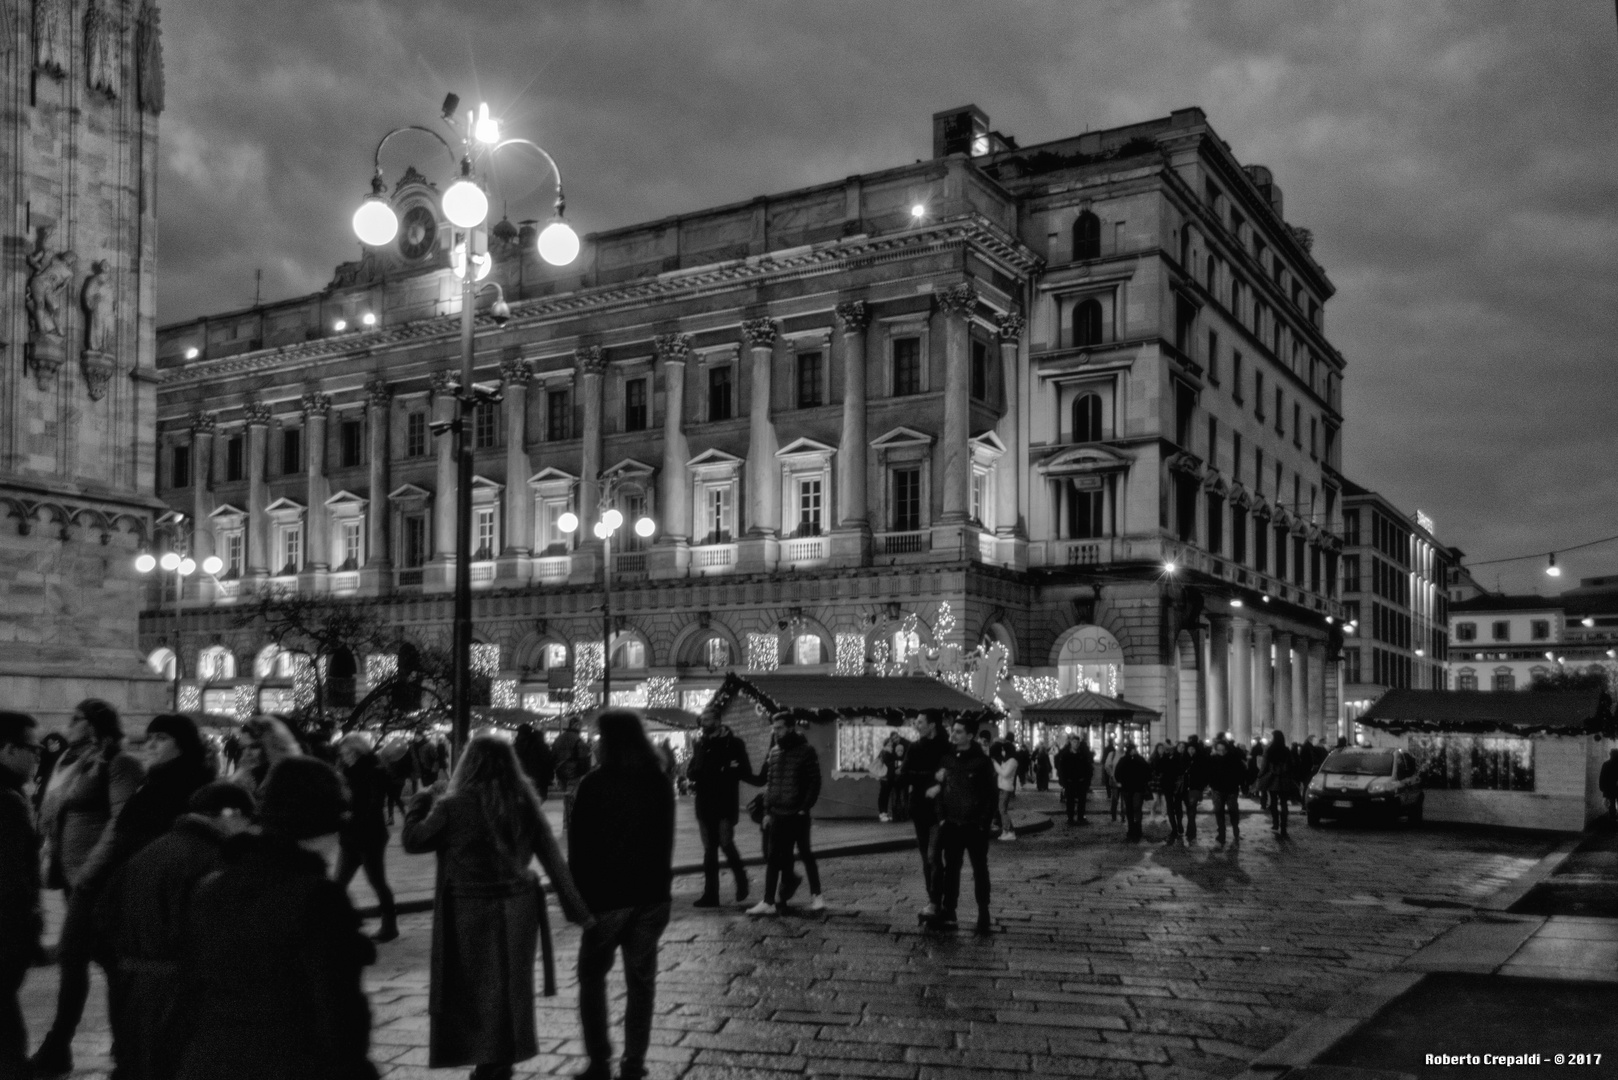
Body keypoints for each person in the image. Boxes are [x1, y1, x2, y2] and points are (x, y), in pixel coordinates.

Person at [175, 757, 379, 1080]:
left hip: (211, 1061)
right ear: (326, 823)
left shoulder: (216, 886)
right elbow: (338, 1015)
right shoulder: (319, 899)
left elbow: (190, 990)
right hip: (289, 1063)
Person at [403, 735, 589, 1080]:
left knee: (474, 989)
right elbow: (553, 861)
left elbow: (414, 840)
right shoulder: (524, 804)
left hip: (469, 909)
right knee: (511, 985)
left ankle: (486, 1061)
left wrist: (420, 801)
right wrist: (578, 911)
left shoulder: (453, 805)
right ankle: (501, 1058)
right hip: (519, 908)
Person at [98, 781, 257, 1080]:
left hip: (133, 992)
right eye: (248, 820)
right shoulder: (215, 860)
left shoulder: (149, 853)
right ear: (230, 814)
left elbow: (104, 919)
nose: (249, 830)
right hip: (182, 995)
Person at [30, 699, 145, 1078]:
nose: (69, 723)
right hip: (71, 876)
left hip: (97, 880)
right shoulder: (70, 761)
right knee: (107, 961)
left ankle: (58, 1047)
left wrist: (92, 870)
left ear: (95, 724)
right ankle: (127, 1045)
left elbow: (122, 821)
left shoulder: (119, 763)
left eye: (77, 718)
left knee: (75, 957)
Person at [568, 711, 676, 1080]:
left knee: (591, 976)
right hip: (652, 894)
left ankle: (599, 1060)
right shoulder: (659, 781)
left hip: (607, 897)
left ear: (607, 741)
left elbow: (579, 848)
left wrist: (577, 900)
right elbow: (666, 839)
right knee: (641, 982)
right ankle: (633, 1062)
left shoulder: (594, 784)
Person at [925, 717, 998, 935]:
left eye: (958, 732)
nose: (953, 735)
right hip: (952, 824)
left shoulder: (982, 762)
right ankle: (950, 910)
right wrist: (941, 817)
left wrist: (983, 822)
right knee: (951, 870)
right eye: (953, 731)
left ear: (970, 735)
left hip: (974, 825)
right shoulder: (947, 759)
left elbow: (990, 796)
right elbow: (939, 789)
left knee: (980, 870)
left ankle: (983, 911)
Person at [0, 712, 42, 1080]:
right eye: (33, 748)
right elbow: (12, 878)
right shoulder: (8, 801)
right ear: (10, 749)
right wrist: (28, 928)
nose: (38, 756)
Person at [749, 713, 824, 915]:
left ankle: (817, 895)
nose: (776, 731)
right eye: (774, 728)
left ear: (790, 728)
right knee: (774, 858)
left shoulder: (806, 750)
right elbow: (770, 784)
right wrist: (766, 811)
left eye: (780, 727)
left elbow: (814, 782)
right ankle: (768, 901)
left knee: (805, 853)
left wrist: (804, 807)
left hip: (797, 814)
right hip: (776, 813)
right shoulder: (773, 752)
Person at [334, 733, 399, 943]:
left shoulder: (374, 770)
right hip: (350, 835)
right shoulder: (345, 771)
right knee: (338, 883)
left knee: (376, 881)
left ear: (357, 750)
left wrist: (352, 816)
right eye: (343, 753)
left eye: (348, 752)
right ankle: (339, 924)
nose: (345, 756)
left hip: (370, 835)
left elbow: (374, 804)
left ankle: (389, 926)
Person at [685, 708, 753, 908]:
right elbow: (692, 770)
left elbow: (743, 770)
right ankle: (710, 894)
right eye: (702, 720)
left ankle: (741, 880)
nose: (703, 724)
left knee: (725, 842)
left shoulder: (734, 743)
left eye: (707, 720)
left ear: (718, 721)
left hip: (725, 801)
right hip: (704, 803)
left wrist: (722, 771)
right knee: (709, 850)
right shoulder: (700, 744)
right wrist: (705, 772)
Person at [900, 710, 952, 923]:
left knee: (933, 856)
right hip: (919, 808)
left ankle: (937, 902)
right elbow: (903, 775)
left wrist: (921, 778)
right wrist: (931, 777)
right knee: (926, 859)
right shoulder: (915, 747)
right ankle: (934, 900)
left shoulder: (947, 748)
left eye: (920, 721)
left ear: (932, 725)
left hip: (940, 810)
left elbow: (950, 775)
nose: (916, 724)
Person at [231, 714, 301, 797]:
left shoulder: (291, 782)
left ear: (273, 747)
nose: (247, 753)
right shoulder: (241, 780)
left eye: (254, 747)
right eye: (243, 748)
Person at [549, 715, 593, 832]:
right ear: (576, 725)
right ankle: (571, 821)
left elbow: (552, 756)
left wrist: (555, 771)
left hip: (560, 772)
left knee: (566, 797)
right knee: (574, 797)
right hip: (574, 773)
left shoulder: (559, 739)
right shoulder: (578, 739)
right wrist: (585, 773)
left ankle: (566, 822)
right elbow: (584, 758)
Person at [1257, 731, 1294, 837]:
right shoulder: (1286, 750)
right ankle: (1283, 827)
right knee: (1284, 804)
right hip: (1285, 779)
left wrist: (1260, 775)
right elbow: (1292, 764)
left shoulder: (1269, 750)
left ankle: (1275, 823)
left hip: (1272, 779)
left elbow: (1264, 765)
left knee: (1273, 803)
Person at [1112, 742, 1152, 842]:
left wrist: (1144, 781)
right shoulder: (1126, 760)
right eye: (1132, 750)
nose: (1134, 751)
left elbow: (1148, 772)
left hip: (1136, 788)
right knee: (1130, 808)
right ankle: (1132, 829)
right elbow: (1118, 773)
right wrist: (1120, 782)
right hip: (1129, 788)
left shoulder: (1139, 760)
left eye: (1134, 749)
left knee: (1136, 808)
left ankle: (1136, 829)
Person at [1208, 738, 1243, 844]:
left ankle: (1235, 828)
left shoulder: (1234, 759)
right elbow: (1209, 773)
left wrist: (1239, 784)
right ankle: (1221, 833)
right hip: (1217, 789)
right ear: (1215, 750)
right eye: (1219, 750)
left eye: (1223, 749)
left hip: (1231, 789)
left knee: (1233, 810)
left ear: (1227, 749)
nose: (1221, 752)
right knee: (1219, 811)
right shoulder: (1212, 759)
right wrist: (1211, 784)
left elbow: (1240, 773)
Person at [1054, 734, 1093, 825]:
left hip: (1081, 781)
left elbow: (1088, 769)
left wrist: (1086, 781)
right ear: (1071, 743)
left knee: (1081, 801)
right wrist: (1064, 782)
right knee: (1070, 801)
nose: (1076, 744)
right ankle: (1070, 818)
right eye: (1074, 742)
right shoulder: (1066, 755)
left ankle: (1080, 817)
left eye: (1077, 742)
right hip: (1070, 782)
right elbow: (1061, 769)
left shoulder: (1082, 755)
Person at [512, 723, 555, 801]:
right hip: (538, 776)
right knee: (539, 797)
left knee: (525, 799)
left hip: (522, 775)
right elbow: (547, 760)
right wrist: (549, 776)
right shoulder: (538, 744)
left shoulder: (517, 745)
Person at [1181, 735, 1210, 842]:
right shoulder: (1183, 759)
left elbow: (1205, 774)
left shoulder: (1200, 759)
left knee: (1192, 809)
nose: (1191, 750)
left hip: (1195, 788)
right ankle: (1191, 830)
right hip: (1184, 788)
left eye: (1193, 749)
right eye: (1189, 748)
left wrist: (1201, 786)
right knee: (1189, 809)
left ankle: (1191, 831)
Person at [1161, 741, 1190, 840]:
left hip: (1180, 786)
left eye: (1183, 746)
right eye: (1180, 746)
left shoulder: (1186, 757)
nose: (1181, 748)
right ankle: (1174, 828)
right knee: (1170, 807)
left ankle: (1179, 824)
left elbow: (1185, 770)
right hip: (1169, 785)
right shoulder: (1171, 756)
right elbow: (1164, 768)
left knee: (1178, 806)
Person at [991, 741, 1019, 840]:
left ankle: (1010, 831)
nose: (1002, 752)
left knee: (1003, 810)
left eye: (1004, 750)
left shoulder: (1012, 761)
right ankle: (1006, 831)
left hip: (1006, 787)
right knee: (1002, 810)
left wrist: (994, 763)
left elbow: (1004, 773)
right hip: (1003, 787)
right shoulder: (1009, 760)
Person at [876, 734, 902, 822]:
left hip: (889, 777)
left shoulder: (891, 753)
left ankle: (885, 813)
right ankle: (882, 813)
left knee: (886, 795)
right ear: (885, 745)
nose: (890, 746)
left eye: (891, 744)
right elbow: (886, 764)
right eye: (888, 744)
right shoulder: (884, 752)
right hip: (884, 777)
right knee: (883, 795)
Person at [1101, 739, 1119, 821]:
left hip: (1116, 778)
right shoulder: (1113, 752)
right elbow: (1107, 764)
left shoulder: (1109, 750)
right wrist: (1112, 774)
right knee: (1115, 798)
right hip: (1114, 778)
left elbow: (1104, 760)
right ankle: (1115, 814)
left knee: (1115, 797)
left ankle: (1116, 814)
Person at [1600, 747, 1618, 823]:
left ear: (1610, 755)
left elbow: (1602, 776)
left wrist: (1602, 787)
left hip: (1610, 788)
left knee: (1612, 803)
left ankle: (1612, 818)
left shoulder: (1606, 764)